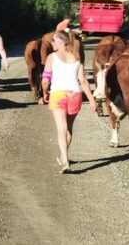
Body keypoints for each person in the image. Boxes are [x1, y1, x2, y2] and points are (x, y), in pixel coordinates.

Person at [43, 30, 99, 173]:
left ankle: (65, 160)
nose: (52, 43)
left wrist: (44, 92)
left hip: (58, 94)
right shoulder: (76, 57)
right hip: (75, 95)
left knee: (61, 129)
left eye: (54, 41)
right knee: (68, 128)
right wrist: (92, 100)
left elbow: (45, 79)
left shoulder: (52, 57)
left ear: (61, 42)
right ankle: (63, 156)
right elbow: (83, 81)